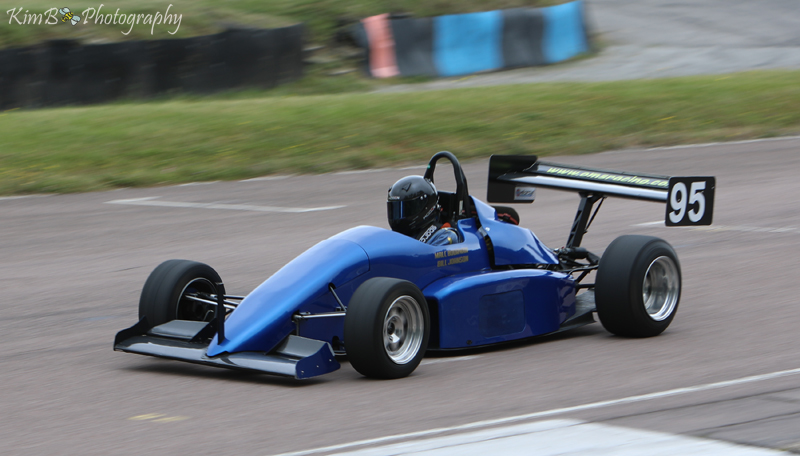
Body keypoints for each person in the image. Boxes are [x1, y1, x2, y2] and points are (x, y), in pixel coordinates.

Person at [387, 175, 461, 246]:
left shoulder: (445, 236)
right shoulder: (393, 235)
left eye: (407, 209)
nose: (399, 216)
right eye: (396, 209)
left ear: (425, 208)